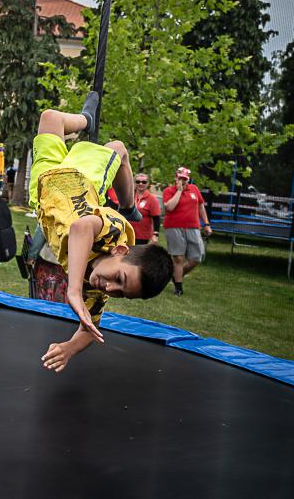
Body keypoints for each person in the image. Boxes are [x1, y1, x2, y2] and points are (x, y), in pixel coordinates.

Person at [32, 96, 173, 373]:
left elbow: (90, 327)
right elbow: (81, 227)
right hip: (80, 178)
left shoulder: (96, 289)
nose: (110, 288)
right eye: (119, 279)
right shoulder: (115, 234)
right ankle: (129, 205)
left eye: (121, 294)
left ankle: (89, 124)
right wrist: (73, 289)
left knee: (50, 117)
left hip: (44, 184)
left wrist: (70, 348)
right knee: (118, 150)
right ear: (121, 252)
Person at [162, 166, 211, 296]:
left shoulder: (194, 189)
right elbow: (170, 207)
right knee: (178, 258)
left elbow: (201, 206)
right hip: (173, 227)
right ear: (175, 178)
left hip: (193, 227)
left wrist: (206, 224)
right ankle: (178, 287)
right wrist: (179, 191)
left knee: (196, 258)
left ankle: (176, 276)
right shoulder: (168, 191)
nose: (182, 181)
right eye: (180, 178)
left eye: (185, 179)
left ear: (188, 179)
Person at [130, 173, 161, 246]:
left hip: (142, 235)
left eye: (144, 182)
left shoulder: (152, 199)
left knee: (137, 253)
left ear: (148, 184)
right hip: (128, 233)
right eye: (138, 182)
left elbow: (156, 218)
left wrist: (155, 234)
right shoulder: (129, 196)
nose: (140, 184)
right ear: (134, 183)